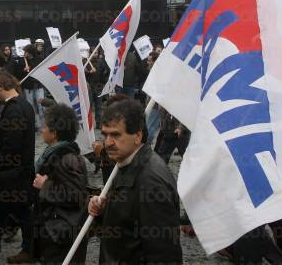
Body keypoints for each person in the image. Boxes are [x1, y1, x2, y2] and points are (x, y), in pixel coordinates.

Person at [88, 98, 182, 264]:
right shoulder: (125, 162)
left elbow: (163, 255)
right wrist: (105, 211)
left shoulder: (152, 183)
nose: (107, 142)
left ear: (138, 136)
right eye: (105, 134)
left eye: (116, 134)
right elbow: (127, 228)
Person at [0, 72, 35, 263]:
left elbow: (10, 146)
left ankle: (29, 249)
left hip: (11, 175)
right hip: (16, 173)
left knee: (21, 213)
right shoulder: (25, 104)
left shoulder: (13, 109)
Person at [33, 104, 88, 265]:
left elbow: (75, 196)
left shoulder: (67, 158)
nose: (41, 129)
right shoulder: (55, 154)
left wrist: (45, 185)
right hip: (54, 231)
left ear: (55, 133)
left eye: (45, 126)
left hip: (62, 234)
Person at [16, 44, 45, 128]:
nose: (24, 53)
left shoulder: (39, 59)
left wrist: (32, 68)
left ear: (30, 52)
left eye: (26, 52)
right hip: (28, 87)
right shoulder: (22, 61)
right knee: (31, 106)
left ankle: (43, 125)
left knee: (41, 105)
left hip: (38, 86)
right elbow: (18, 74)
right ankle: (34, 125)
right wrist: (23, 70)